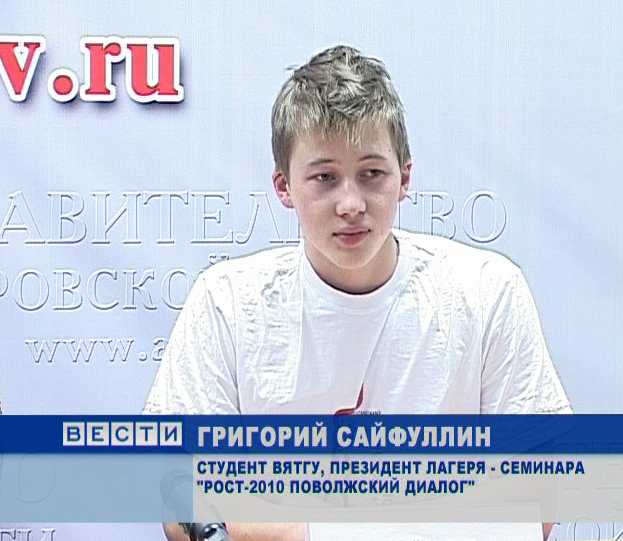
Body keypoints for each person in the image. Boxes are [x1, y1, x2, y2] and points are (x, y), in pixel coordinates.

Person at [145, 45, 572, 541]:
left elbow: (539, 496)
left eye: (371, 174)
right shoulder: (227, 302)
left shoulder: (486, 291)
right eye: (324, 178)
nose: (351, 204)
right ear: (284, 187)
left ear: (404, 177)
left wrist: (300, 529)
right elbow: (181, 498)